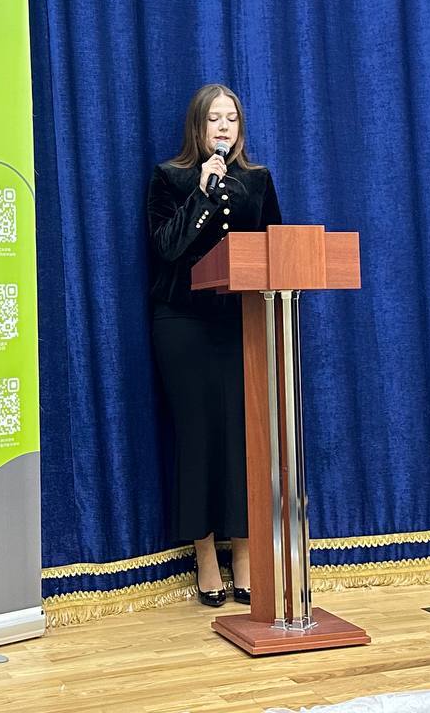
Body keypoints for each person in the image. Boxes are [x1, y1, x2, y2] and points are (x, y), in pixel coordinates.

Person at [147, 84, 282, 607]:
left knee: (242, 437)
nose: (223, 127)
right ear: (198, 127)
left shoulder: (258, 180)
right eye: (214, 119)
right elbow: (166, 248)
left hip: (239, 323)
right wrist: (203, 194)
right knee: (198, 435)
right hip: (182, 322)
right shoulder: (171, 177)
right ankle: (205, 558)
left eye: (231, 118)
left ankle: (244, 555)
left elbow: (275, 248)